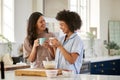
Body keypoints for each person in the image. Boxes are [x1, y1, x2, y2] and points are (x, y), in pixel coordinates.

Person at [49, 10, 84, 74]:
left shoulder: (77, 40)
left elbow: (72, 60)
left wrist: (59, 46)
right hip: (59, 74)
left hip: (70, 76)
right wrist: (54, 47)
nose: (60, 27)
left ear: (70, 24)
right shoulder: (61, 39)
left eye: (62, 25)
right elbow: (58, 57)